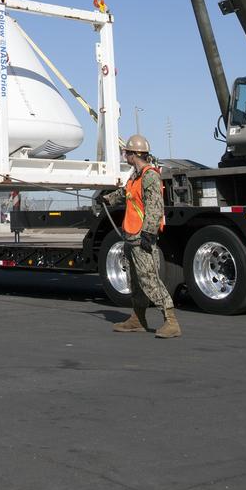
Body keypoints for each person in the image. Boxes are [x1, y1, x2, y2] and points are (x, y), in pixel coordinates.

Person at [106, 135, 181, 338]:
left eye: (126, 152)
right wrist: (108, 199)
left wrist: (148, 234)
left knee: (149, 279)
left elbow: (155, 208)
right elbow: (126, 194)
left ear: (134, 155)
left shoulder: (149, 176)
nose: (124, 156)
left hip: (141, 237)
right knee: (135, 281)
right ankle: (138, 319)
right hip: (131, 236)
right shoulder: (135, 176)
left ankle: (171, 321)